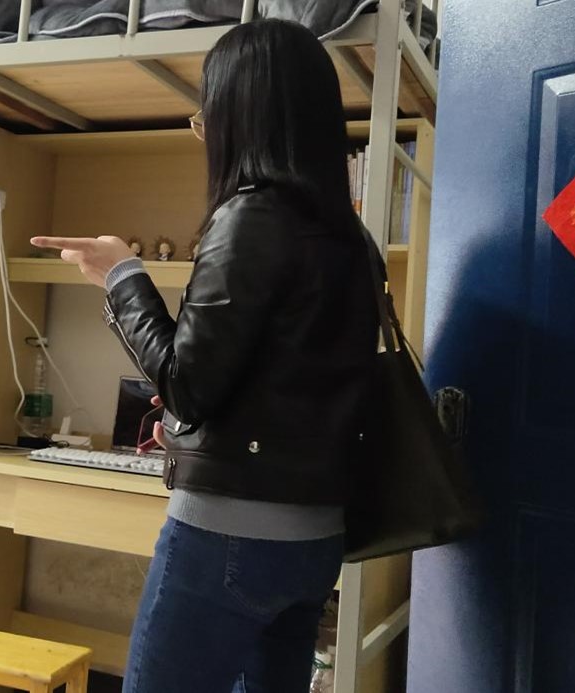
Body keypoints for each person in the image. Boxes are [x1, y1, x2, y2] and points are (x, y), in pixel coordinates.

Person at [32, 18, 378, 693]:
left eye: (206, 118)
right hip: (316, 536)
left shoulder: (250, 217)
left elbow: (187, 385)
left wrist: (122, 276)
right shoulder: (352, 238)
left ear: (239, 118)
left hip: (228, 535)